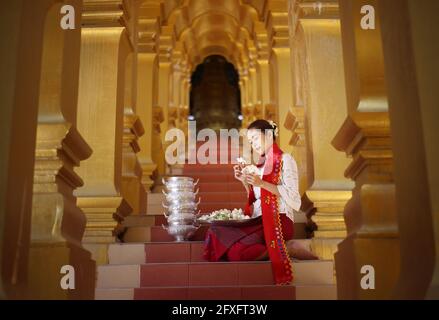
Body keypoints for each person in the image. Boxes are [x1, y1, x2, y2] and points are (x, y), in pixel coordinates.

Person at [203, 119, 316, 285]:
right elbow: (255, 199)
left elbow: (294, 200)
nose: (253, 144)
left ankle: (287, 248)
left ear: (269, 134)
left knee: (238, 254)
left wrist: (262, 183)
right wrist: (244, 181)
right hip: (259, 220)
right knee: (217, 232)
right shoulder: (259, 166)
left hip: (279, 219)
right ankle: (281, 249)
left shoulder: (285, 160)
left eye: (255, 138)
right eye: (250, 141)